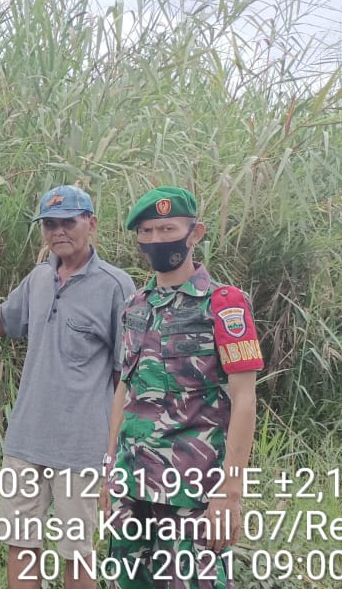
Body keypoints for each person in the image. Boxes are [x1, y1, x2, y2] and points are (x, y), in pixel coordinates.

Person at [0, 185, 135, 589]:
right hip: (25, 441)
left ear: (92, 224)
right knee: (21, 544)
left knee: (77, 551)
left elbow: (124, 377)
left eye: (69, 222)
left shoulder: (116, 287)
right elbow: (1, 324)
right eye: (50, 224)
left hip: (81, 447)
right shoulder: (39, 277)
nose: (58, 231)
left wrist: (114, 453)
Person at [102, 186, 263, 589]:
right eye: (147, 231)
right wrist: (108, 472)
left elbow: (244, 399)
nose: (157, 239)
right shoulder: (134, 306)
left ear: (195, 233)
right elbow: (125, 389)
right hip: (131, 484)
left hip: (191, 488)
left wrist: (230, 492)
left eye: (168, 228)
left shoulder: (224, 304)